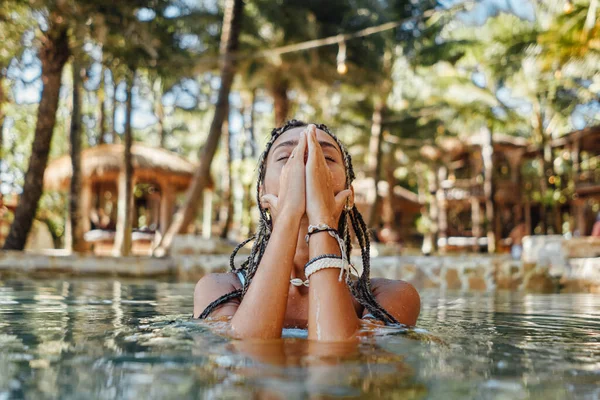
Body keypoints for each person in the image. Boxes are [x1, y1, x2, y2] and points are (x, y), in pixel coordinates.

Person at [193, 121, 420, 341]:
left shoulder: (389, 296)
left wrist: (321, 219)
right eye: (286, 157)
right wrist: (288, 216)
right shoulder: (219, 289)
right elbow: (247, 355)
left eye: (325, 158)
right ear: (262, 192)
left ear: (348, 193)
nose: (306, 164)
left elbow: (338, 361)